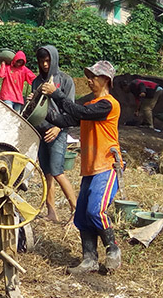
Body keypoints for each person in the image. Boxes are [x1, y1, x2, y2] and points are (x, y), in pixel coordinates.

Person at [40, 60, 123, 274]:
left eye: (94, 76)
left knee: (96, 210)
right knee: (82, 216)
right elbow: (65, 118)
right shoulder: (88, 106)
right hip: (90, 167)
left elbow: (79, 112)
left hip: (107, 165)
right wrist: (40, 108)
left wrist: (56, 93)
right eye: (89, 76)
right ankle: (89, 259)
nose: (89, 80)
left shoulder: (108, 104)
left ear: (106, 80)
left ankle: (112, 249)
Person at [30, 45, 78, 224]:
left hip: (57, 132)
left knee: (58, 171)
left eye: (48, 61)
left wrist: (58, 128)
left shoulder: (65, 80)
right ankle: (52, 212)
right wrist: (32, 100)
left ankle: (76, 211)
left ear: (54, 60)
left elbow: (71, 109)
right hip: (41, 131)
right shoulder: (37, 81)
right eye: (41, 61)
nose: (44, 64)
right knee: (47, 172)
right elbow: (38, 107)